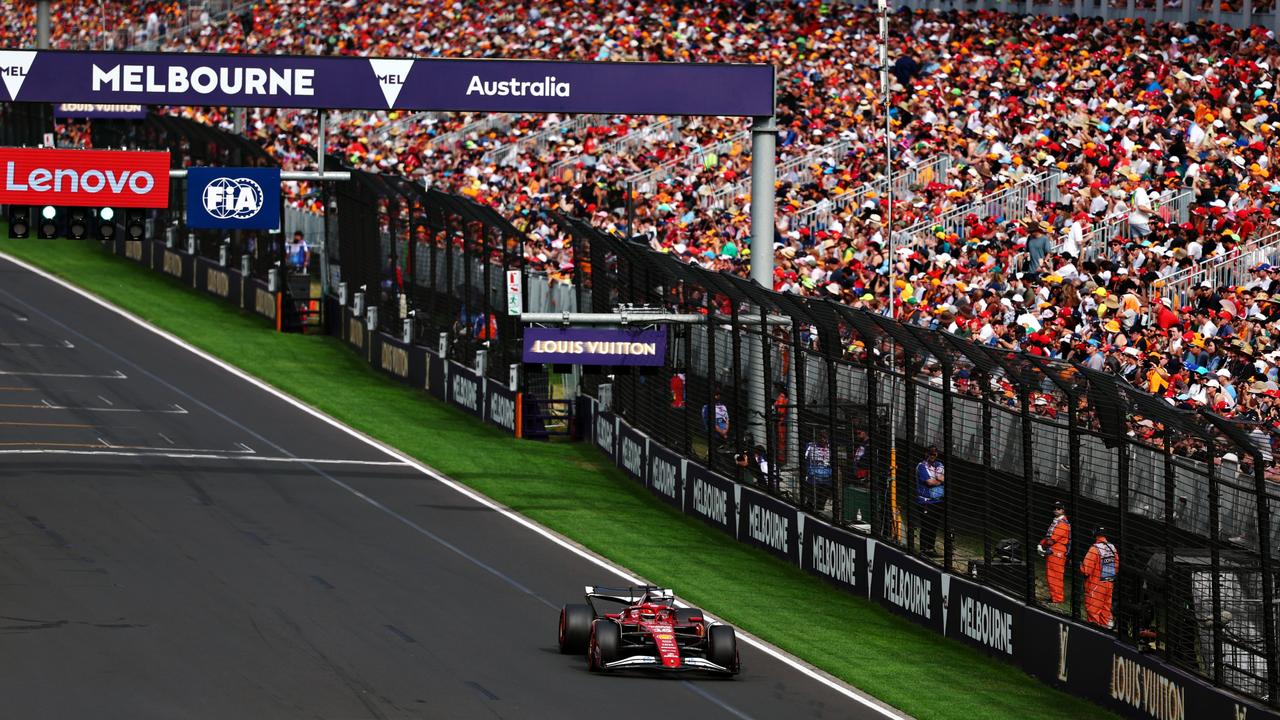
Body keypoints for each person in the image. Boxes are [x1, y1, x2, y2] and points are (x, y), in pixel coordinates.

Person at [1081, 526, 1118, 628]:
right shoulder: (1112, 547)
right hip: (1109, 583)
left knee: (1093, 610)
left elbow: (1086, 569)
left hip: (1096, 585)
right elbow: (1116, 566)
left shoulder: (1094, 549)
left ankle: (1093, 634)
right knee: (1105, 610)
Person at [1039, 500, 1071, 604]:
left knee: (1055, 576)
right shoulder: (1057, 521)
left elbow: (1051, 539)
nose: (1056, 510)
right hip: (1054, 551)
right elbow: (1048, 537)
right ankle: (1054, 597)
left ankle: (1057, 599)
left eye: (1058, 508)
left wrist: (1042, 547)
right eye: (1055, 508)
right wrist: (1041, 544)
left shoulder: (1062, 524)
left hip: (1057, 552)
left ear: (1063, 510)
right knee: (1051, 576)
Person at [915, 446, 945, 557]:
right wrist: (938, 480)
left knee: (934, 525)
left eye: (935, 454)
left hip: (937, 501)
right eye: (931, 454)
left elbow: (942, 478)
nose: (933, 456)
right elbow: (930, 482)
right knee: (926, 525)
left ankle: (930, 549)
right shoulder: (921, 466)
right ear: (926, 453)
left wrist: (938, 480)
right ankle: (923, 550)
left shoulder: (939, 465)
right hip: (924, 501)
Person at [803, 431, 834, 514]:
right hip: (812, 478)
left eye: (825, 438)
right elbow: (805, 459)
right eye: (822, 437)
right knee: (811, 501)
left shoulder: (831, 448)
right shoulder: (810, 446)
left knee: (821, 504)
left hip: (826, 480)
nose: (823, 439)